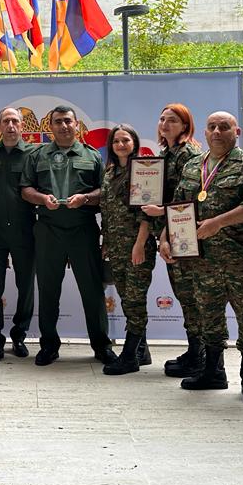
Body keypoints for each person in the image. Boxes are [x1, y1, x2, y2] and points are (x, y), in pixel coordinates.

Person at [160, 111, 243, 405]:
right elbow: (179, 204)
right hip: (202, 260)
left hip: (239, 259)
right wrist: (165, 236)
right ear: (205, 133)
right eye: (212, 127)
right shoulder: (194, 165)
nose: (217, 132)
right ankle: (213, 371)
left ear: (236, 132)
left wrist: (218, 223)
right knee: (209, 317)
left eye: (224, 127)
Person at [20, 105, 116, 366]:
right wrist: (42, 198)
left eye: (67, 121)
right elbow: (25, 189)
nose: (63, 126)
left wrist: (85, 198)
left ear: (76, 125)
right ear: (50, 126)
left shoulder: (92, 155)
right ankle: (49, 346)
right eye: (58, 122)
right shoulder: (37, 155)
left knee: (92, 290)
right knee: (48, 290)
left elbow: (105, 192)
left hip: (82, 229)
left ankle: (102, 345)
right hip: (48, 229)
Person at [142, 103, 202, 375]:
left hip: (184, 233)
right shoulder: (166, 153)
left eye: (173, 120)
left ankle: (201, 356)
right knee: (184, 294)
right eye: (162, 119)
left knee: (190, 295)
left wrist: (161, 211)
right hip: (170, 231)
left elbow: (193, 197)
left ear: (185, 126)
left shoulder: (189, 154)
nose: (165, 124)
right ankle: (195, 350)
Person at [0, 107, 37, 365]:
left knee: (26, 286)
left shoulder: (33, 154)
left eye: (15, 121)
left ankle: (19, 335)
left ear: (22, 125)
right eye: (6, 121)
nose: (11, 125)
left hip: (25, 230)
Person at [100, 124, 156, 375]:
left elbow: (147, 213)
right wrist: (107, 243)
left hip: (137, 246)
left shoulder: (143, 170)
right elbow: (107, 211)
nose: (121, 145)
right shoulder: (110, 173)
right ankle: (143, 352)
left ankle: (130, 357)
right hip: (117, 247)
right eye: (116, 141)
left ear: (134, 143)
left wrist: (140, 244)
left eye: (125, 140)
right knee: (127, 299)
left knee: (134, 301)